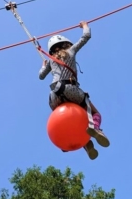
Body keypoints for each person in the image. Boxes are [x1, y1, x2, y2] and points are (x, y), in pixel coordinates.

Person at [39, 21, 109, 159]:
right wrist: (84, 26)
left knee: (74, 119)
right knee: (95, 113)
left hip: (53, 97)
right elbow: (86, 37)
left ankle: (86, 143)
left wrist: (43, 65)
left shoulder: (51, 60)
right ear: (67, 44)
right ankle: (96, 130)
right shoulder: (70, 51)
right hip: (69, 89)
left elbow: (41, 76)